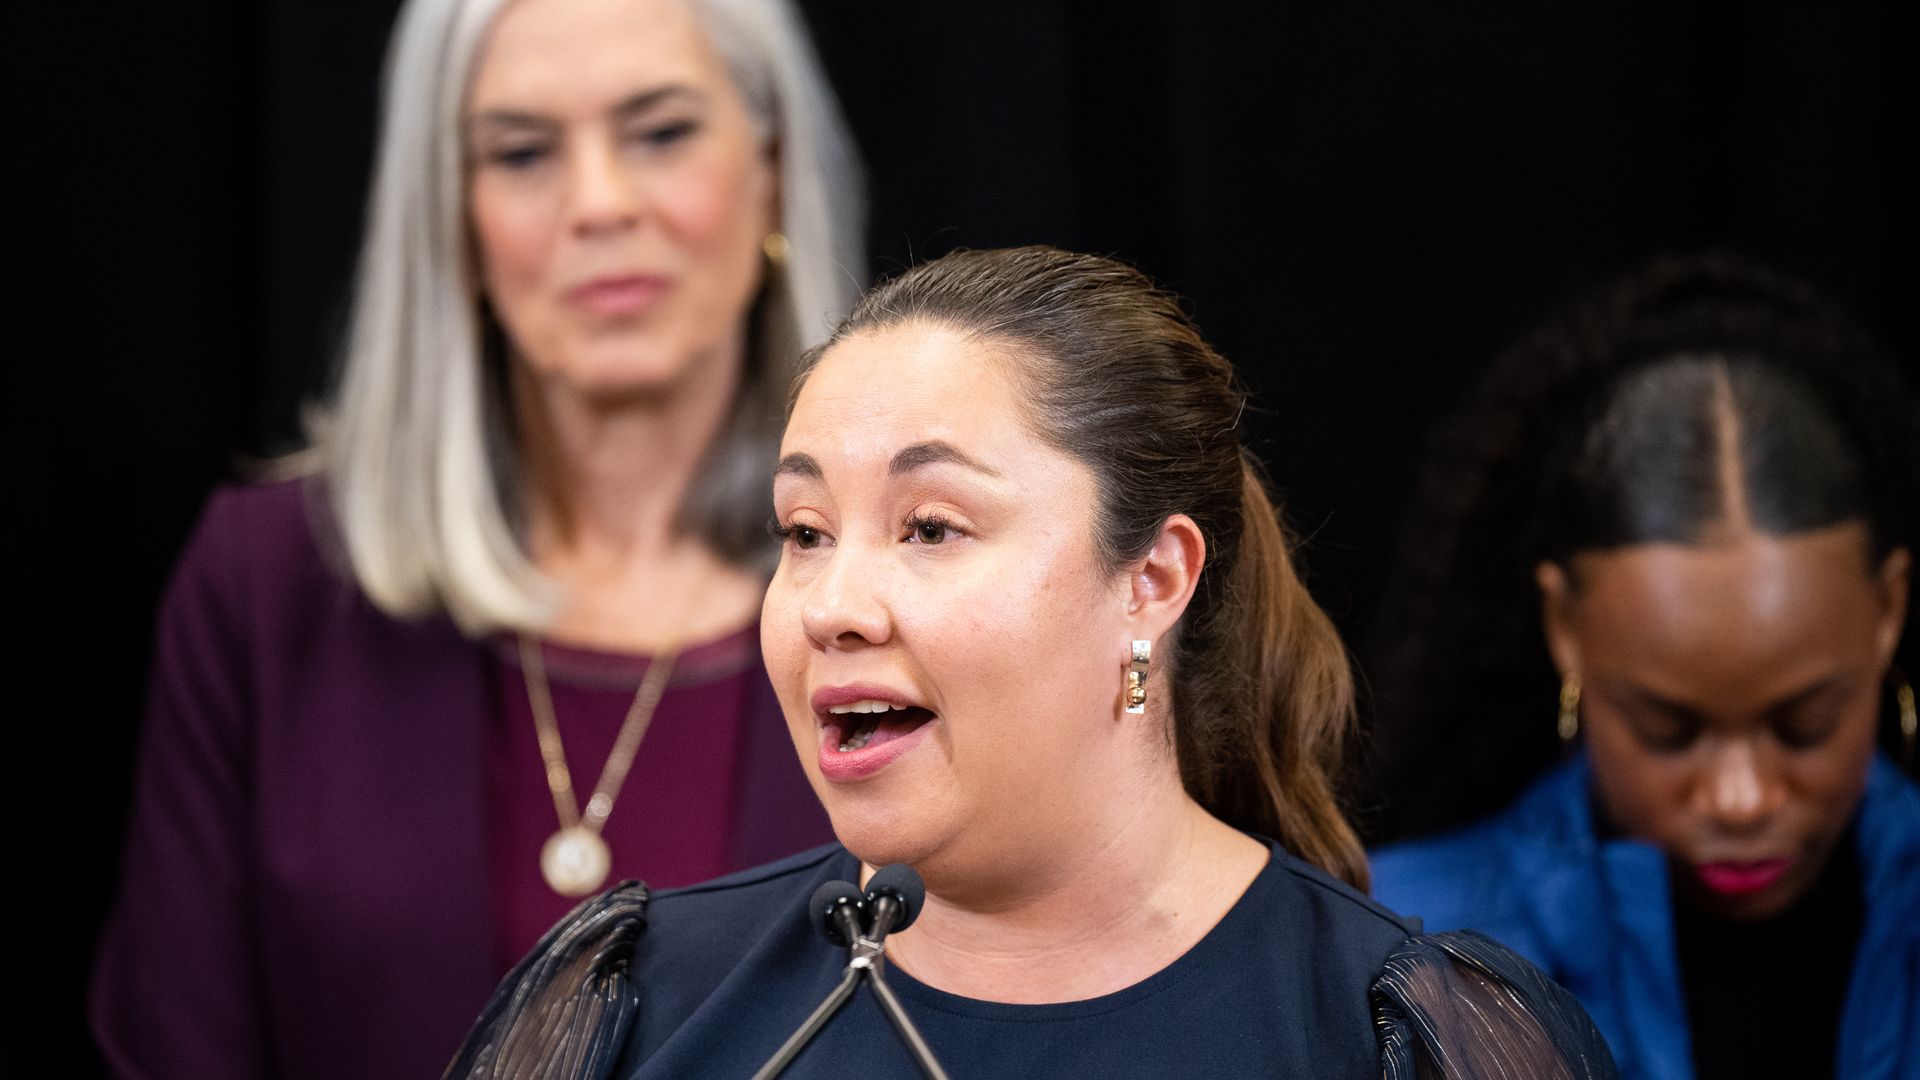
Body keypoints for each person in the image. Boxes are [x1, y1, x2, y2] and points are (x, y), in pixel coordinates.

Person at [446, 246, 1620, 1079]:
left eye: (930, 528)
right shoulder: (642, 999)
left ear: (1151, 580)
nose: (832, 606)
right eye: (803, 534)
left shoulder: (1390, 1037)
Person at [90, 0, 863, 1076]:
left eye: (661, 132)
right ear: (451, 213)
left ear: (772, 169)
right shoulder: (267, 584)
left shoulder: (919, 583)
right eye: (522, 152)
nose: (599, 202)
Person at [1366, 256, 1919, 1080]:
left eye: (1804, 724)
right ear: (1564, 628)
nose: (1741, 797)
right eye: (1670, 731)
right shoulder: (1398, 947)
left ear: (1889, 612)